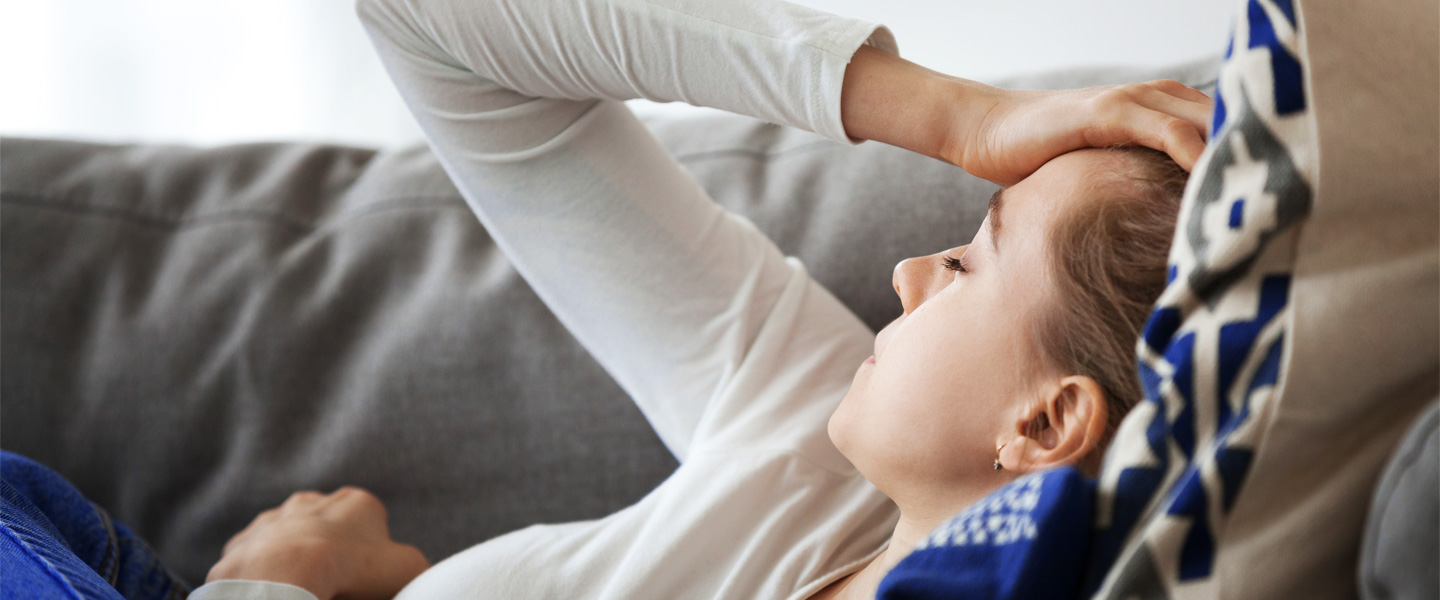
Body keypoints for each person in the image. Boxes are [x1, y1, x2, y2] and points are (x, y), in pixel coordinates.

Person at [3, 0, 1211, 599]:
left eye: (966, 264)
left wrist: (270, 588)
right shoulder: (797, 435)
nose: (905, 271)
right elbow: (434, 22)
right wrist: (959, 116)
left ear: (1044, 424)